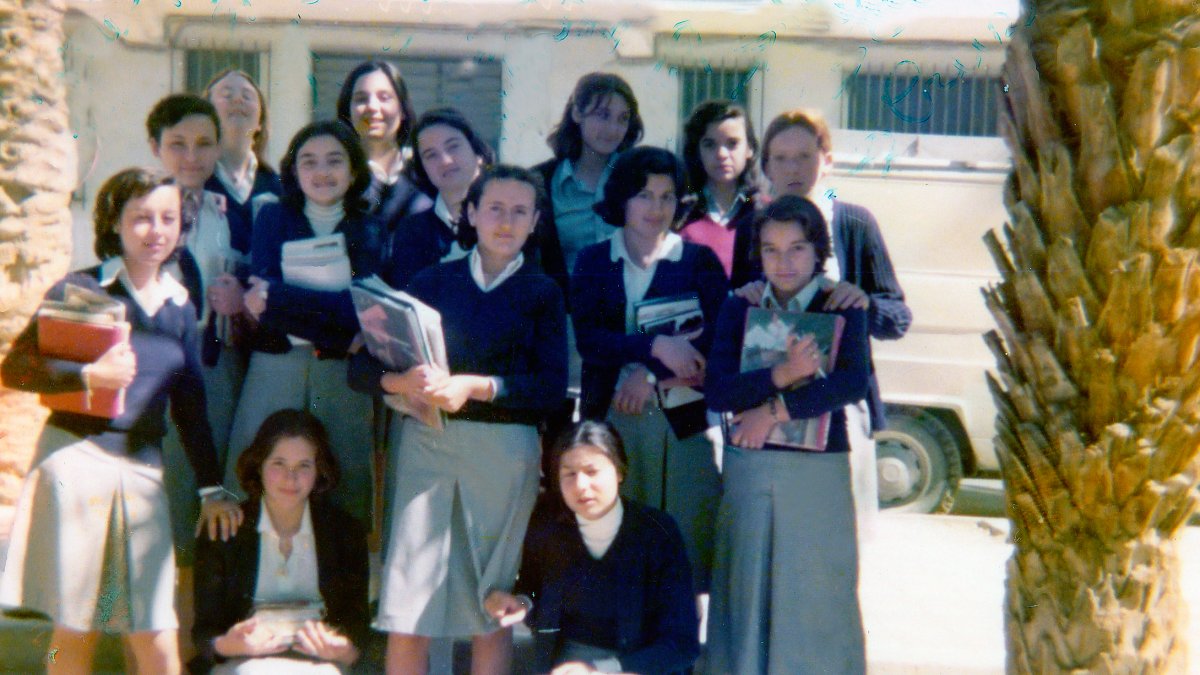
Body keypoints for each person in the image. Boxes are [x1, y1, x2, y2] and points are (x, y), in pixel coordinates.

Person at [0, 167, 240, 674]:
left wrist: (210, 486)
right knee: (77, 625)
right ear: (115, 223)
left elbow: (191, 406)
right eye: (141, 218)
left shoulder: (179, 307)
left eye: (167, 218)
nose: (155, 230)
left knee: (151, 624)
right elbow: (17, 368)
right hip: (76, 463)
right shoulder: (81, 286)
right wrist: (90, 374)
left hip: (141, 474)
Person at [350, 165, 567, 675]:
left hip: (503, 456)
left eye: (520, 212)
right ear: (470, 213)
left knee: (489, 608)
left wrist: (474, 387)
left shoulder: (543, 293)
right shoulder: (433, 281)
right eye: (495, 208)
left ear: (536, 221)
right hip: (427, 448)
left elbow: (551, 388)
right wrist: (401, 384)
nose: (506, 222)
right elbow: (362, 365)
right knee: (409, 607)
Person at [705, 195, 872, 674]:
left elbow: (850, 382)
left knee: (814, 589)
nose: (784, 262)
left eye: (797, 248)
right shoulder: (742, 306)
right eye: (772, 250)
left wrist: (774, 411)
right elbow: (718, 390)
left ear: (818, 251)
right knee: (748, 585)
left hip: (816, 470)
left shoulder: (841, 303)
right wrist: (781, 374)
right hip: (751, 466)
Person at [570, 146, 727, 594]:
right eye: (643, 195)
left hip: (684, 424)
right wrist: (655, 345)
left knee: (682, 548)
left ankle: (676, 657)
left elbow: (715, 341)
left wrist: (651, 374)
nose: (656, 208)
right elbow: (590, 340)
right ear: (622, 198)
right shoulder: (594, 261)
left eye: (666, 196)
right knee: (618, 547)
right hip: (613, 418)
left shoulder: (700, 262)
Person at [754, 108, 913, 535]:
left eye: (804, 156)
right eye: (781, 158)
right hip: (769, 410)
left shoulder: (854, 223)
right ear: (765, 164)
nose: (792, 169)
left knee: (837, 538)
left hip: (840, 408)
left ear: (827, 159)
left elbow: (898, 318)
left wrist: (864, 303)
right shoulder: (756, 226)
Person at [224, 120, 385, 528]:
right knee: (254, 469)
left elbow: (363, 312)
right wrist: (339, 323)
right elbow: (261, 305)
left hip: (341, 375)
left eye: (334, 161)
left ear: (353, 170)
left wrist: (281, 298)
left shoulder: (369, 228)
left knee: (343, 477)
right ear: (294, 171)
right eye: (309, 162)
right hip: (276, 366)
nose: (322, 172)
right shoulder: (273, 217)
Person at [485, 421, 699, 675]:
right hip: (570, 664)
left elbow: (682, 643)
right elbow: (533, 590)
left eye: (592, 471)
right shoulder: (547, 526)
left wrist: (604, 671)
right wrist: (520, 602)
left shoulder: (657, 532)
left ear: (619, 471)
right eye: (569, 474)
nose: (581, 485)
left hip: (637, 667)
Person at [191, 409, 369, 674]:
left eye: (304, 466)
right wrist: (230, 645)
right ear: (258, 465)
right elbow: (205, 632)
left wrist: (343, 649)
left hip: (317, 662)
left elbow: (357, 623)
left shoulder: (345, 532)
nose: (291, 478)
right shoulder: (227, 529)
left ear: (320, 470)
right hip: (244, 662)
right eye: (279, 464)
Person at [383, 107, 494, 291]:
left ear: (478, 154)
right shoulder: (412, 232)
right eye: (431, 155)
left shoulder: (509, 217)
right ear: (423, 169)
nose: (445, 160)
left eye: (453, 146)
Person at [676, 99, 765, 287]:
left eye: (732, 143)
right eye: (710, 144)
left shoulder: (766, 211)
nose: (722, 154)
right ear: (697, 150)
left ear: (750, 149)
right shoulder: (678, 212)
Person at [336, 60, 433, 228]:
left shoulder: (425, 169)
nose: (373, 107)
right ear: (348, 112)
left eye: (384, 97)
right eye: (361, 99)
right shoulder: (336, 173)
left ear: (403, 110)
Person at [202, 69, 283, 253]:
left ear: (260, 122)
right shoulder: (193, 185)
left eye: (247, 96)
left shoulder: (281, 189)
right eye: (227, 95)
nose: (238, 100)